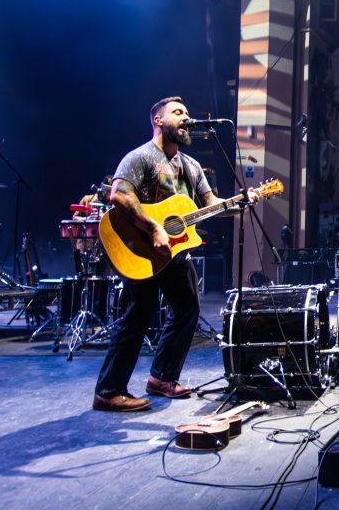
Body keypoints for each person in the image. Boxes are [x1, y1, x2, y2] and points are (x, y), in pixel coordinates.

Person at [93, 96, 251, 412]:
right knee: (139, 314)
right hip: (142, 248)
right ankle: (108, 390)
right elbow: (119, 195)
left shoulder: (191, 166)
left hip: (176, 253)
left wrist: (237, 204)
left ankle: (162, 377)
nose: (185, 118)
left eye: (188, 113)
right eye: (177, 113)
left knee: (188, 309)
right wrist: (153, 228)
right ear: (158, 120)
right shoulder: (140, 157)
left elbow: (209, 206)